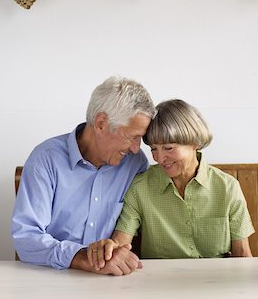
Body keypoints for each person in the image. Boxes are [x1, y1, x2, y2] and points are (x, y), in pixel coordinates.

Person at [87, 99, 255, 273]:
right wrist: (110, 248)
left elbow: (242, 254)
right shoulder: (140, 187)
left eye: (168, 148)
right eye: (153, 149)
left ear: (195, 143)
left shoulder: (227, 187)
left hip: (216, 283)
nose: (159, 158)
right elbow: (121, 242)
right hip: (158, 284)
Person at [11, 76, 156, 275]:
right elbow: (26, 238)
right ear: (101, 124)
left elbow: (132, 226)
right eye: (133, 137)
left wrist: (112, 253)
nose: (135, 148)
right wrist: (82, 257)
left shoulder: (135, 164)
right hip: (50, 279)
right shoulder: (46, 160)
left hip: (112, 284)